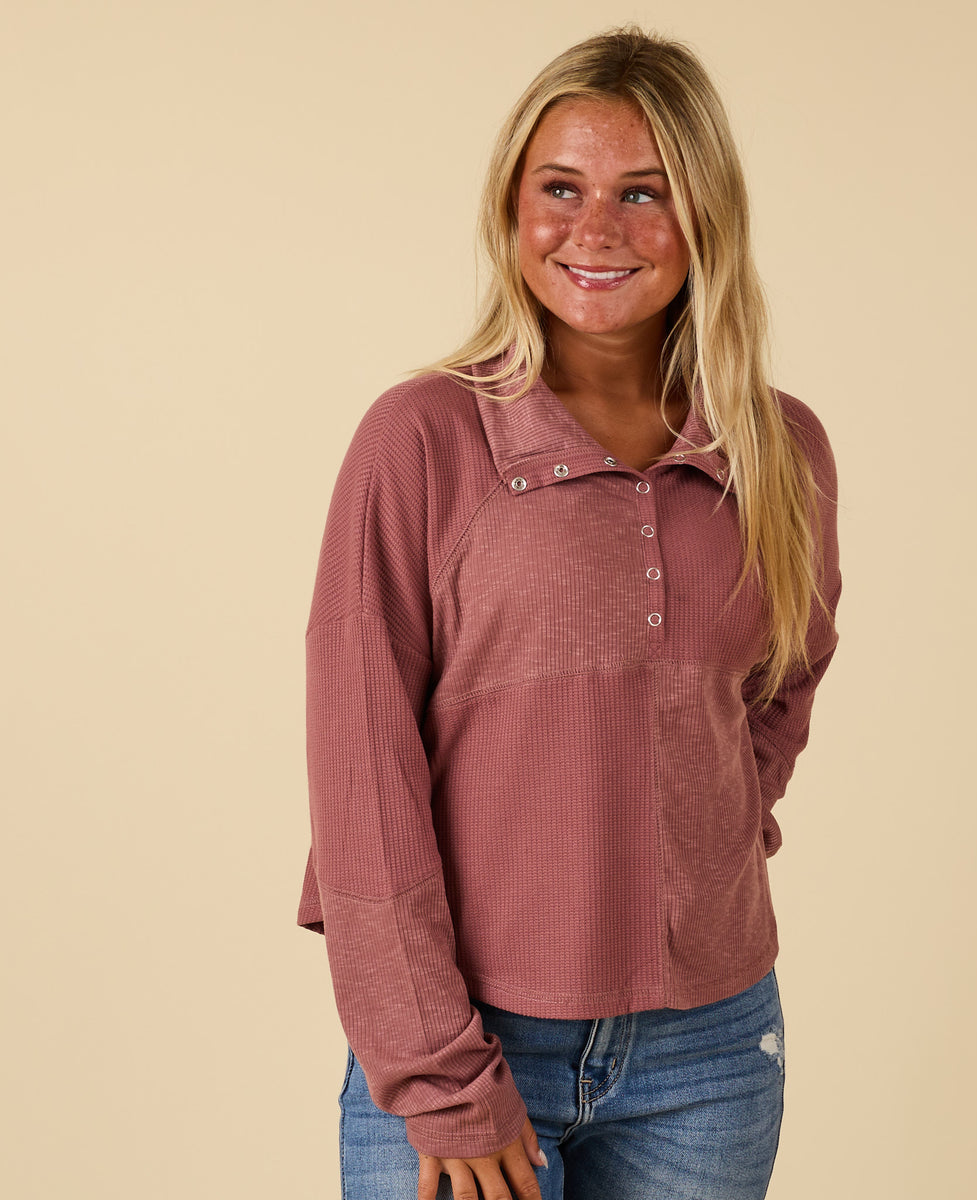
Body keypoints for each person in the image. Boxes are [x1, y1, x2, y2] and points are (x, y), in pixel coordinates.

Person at [296, 25, 841, 1200]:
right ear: (511, 209)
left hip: (711, 1050)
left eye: (644, 193)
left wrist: (698, 830)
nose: (595, 230)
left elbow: (783, 685)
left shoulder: (780, 449)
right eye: (561, 189)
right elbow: (362, 776)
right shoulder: (423, 438)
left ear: (705, 219)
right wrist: (438, 1071)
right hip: (473, 1038)